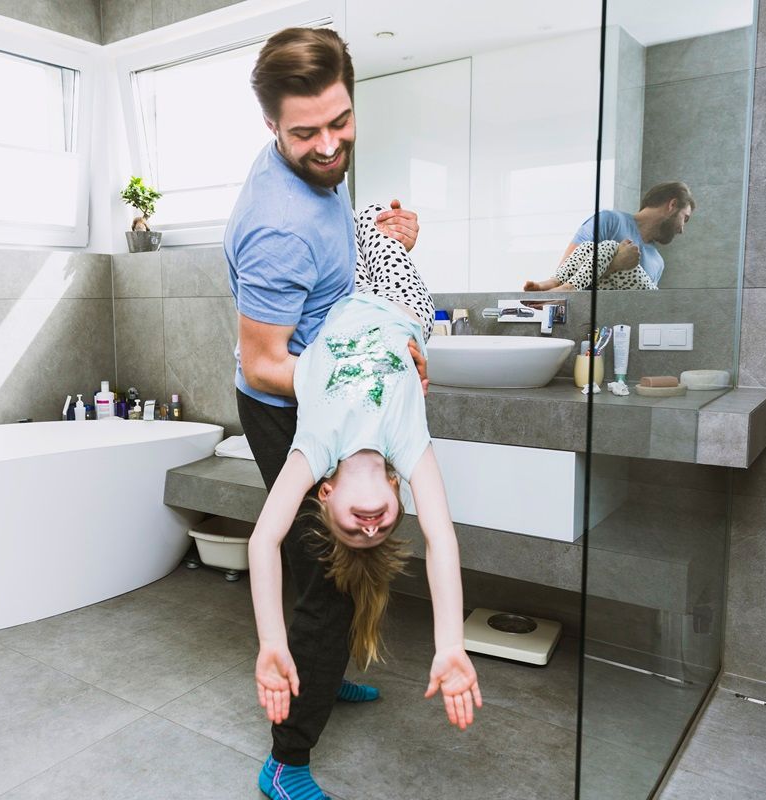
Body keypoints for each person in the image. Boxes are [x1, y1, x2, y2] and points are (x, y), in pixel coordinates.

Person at [224, 27, 455, 800]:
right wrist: (362, 383)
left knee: (328, 561)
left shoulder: (322, 167)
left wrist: (385, 243)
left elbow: (339, 268)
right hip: (290, 403)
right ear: (271, 127)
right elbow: (262, 361)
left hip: (332, 380)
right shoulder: (274, 228)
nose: (328, 145)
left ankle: (324, 669)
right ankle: (287, 758)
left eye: (339, 122)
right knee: (330, 575)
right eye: (306, 133)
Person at [524, 181, 695, 291]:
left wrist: (614, 265)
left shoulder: (658, 262)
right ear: (672, 205)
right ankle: (554, 283)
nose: (682, 229)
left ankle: (554, 283)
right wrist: (616, 265)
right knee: (590, 248)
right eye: (685, 218)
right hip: (597, 323)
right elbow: (570, 269)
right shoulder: (610, 221)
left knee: (611, 247)